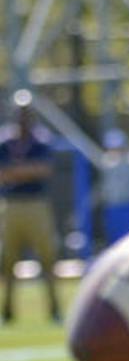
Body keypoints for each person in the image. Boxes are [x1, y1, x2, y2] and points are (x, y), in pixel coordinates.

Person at [0, 90, 62, 324]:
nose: (22, 117)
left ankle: (54, 309)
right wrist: (26, 171)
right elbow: (3, 174)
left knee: (48, 257)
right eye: (19, 113)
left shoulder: (41, 140)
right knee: (7, 260)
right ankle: (7, 311)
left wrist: (15, 172)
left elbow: (44, 169)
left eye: (26, 113)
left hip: (36, 205)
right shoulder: (5, 141)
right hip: (11, 206)